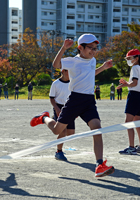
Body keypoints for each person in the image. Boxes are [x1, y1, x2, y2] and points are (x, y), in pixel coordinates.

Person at [30, 34, 114, 177]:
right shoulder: (73, 61)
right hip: (75, 99)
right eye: (90, 48)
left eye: (95, 48)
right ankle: (44, 118)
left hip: (89, 100)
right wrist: (63, 48)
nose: (93, 51)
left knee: (97, 128)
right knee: (57, 131)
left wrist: (103, 67)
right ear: (80, 48)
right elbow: (55, 65)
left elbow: (90, 74)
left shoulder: (93, 60)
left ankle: (99, 164)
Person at [117, 49, 140, 155]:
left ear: (136, 58)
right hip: (139, 96)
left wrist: (126, 84)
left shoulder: (134, 68)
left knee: (128, 122)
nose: (128, 60)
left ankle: (131, 147)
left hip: (133, 96)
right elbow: (136, 83)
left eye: (130, 58)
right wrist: (127, 82)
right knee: (137, 123)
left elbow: (134, 83)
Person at [49, 69, 75, 161]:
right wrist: (56, 109)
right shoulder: (55, 84)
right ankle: (59, 152)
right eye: (68, 71)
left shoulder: (72, 82)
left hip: (69, 107)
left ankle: (50, 120)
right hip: (59, 107)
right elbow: (52, 98)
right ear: (63, 71)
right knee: (62, 131)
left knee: (71, 133)